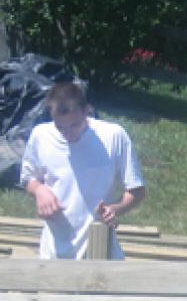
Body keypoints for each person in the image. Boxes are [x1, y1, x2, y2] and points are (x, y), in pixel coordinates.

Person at [20, 80, 146, 260]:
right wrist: (39, 190)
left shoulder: (113, 136)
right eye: (60, 127)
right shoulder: (40, 136)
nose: (68, 133)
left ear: (87, 110)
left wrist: (115, 209)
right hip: (54, 253)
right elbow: (28, 178)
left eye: (74, 125)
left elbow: (137, 191)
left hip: (101, 251)